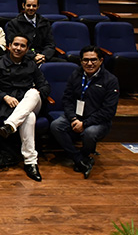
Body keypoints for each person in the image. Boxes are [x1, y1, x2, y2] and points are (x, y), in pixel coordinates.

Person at [0, 34, 51, 182]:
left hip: (30, 102)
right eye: (16, 45)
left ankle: (10, 126)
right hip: (9, 105)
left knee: (33, 93)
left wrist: (39, 93)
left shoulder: (31, 64)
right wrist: (4, 96)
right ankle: (30, 162)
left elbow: (44, 85)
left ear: (27, 49)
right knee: (29, 117)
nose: (18, 48)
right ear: (9, 46)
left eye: (22, 46)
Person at [50, 46, 119, 178]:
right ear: (81, 61)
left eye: (93, 60)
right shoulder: (76, 74)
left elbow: (108, 111)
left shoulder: (111, 80)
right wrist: (73, 119)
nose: (89, 63)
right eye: (85, 60)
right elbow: (67, 99)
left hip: (98, 121)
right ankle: (78, 158)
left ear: (101, 60)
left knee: (90, 132)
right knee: (56, 125)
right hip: (76, 116)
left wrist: (85, 123)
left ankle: (85, 154)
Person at [5, 0, 57, 65]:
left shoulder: (44, 22)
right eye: (28, 5)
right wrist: (33, 56)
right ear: (23, 6)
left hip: (43, 56)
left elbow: (50, 44)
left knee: (65, 65)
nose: (31, 8)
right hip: (23, 56)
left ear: (38, 7)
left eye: (34, 6)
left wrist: (44, 56)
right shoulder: (14, 23)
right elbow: (14, 45)